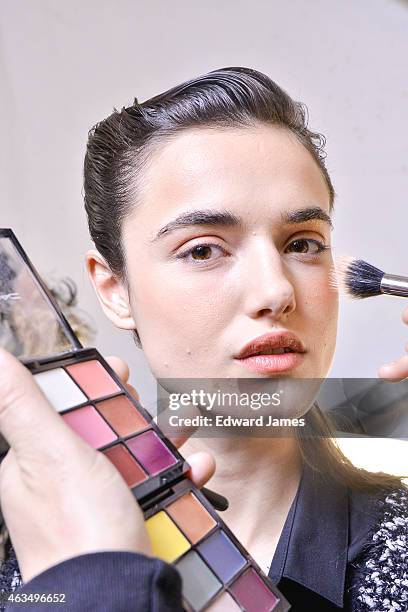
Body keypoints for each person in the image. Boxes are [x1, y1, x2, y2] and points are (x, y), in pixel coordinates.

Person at [0, 67, 407, 611]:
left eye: (304, 243)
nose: (276, 290)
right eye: (203, 249)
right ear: (115, 289)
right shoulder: (37, 572)